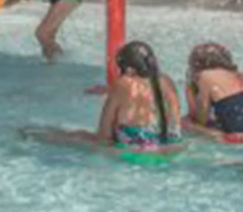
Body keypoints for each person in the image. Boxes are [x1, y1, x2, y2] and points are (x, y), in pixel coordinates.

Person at [22, 40, 183, 155]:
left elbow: (104, 134)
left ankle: (30, 133)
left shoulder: (123, 84)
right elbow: (175, 127)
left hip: (133, 149)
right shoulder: (165, 80)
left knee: (72, 135)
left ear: (127, 68)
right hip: (166, 146)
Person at [183, 42, 243, 141]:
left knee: (187, 124)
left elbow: (202, 118)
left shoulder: (204, 76)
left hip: (238, 132)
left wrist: (190, 94)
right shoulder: (241, 75)